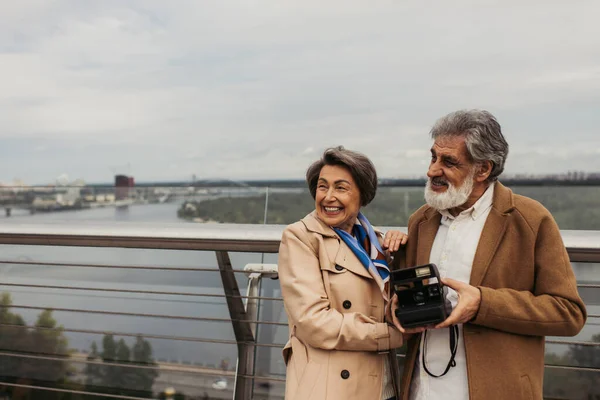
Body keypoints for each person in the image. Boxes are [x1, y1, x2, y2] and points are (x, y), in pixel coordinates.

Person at [390, 109, 587, 400]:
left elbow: (569, 313)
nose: (432, 170)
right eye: (433, 157)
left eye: (449, 162)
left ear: (483, 169)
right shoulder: (421, 220)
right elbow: (406, 295)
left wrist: (482, 304)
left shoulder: (530, 220)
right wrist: (397, 306)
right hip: (422, 390)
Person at [279, 146, 409, 400]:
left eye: (341, 188)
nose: (328, 197)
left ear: (363, 194)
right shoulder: (300, 237)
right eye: (322, 186)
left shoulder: (375, 242)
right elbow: (314, 323)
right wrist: (389, 336)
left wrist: (402, 250)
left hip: (382, 384)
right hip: (331, 388)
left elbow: (395, 304)